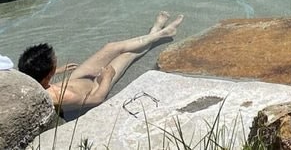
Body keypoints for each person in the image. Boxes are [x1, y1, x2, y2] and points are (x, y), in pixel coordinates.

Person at [18, 12, 183, 111]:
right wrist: (107, 78)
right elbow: (96, 99)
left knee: (111, 47)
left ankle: (156, 34)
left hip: (76, 78)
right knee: (128, 55)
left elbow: (36, 78)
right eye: (55, 63)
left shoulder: (28, 80)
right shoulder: (63, 97)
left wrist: (58, 71)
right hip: (96, 85)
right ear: (48, 74)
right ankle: (156, 32)